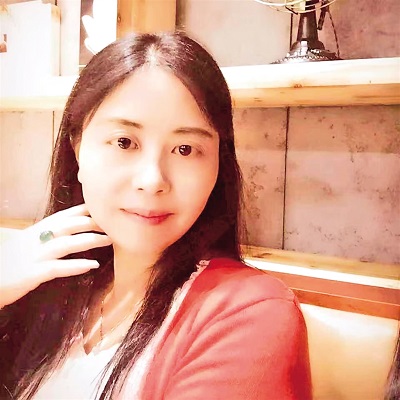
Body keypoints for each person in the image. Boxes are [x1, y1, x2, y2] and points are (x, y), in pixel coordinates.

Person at [0, 32, 312, 399]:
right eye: (124, 142)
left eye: (185, 149)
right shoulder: (46, 287)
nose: (152, 180)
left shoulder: (250, 316)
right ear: (78, 148)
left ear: (218, 164)